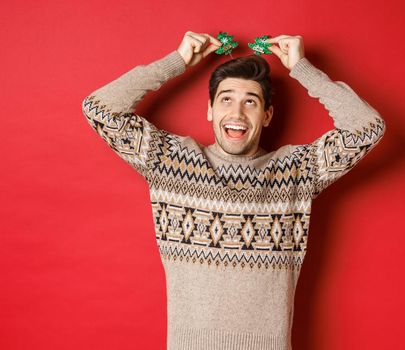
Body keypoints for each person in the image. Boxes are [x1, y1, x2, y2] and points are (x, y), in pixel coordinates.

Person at [81, 31, 386, 350]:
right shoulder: (171, 162)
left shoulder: (296, 172)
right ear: (210, 109)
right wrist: (178, 61)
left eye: (250, 102)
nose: (237, 114)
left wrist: (301, 67)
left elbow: (366, 128)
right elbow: (100, 109)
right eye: (226, 99)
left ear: (266, 115)